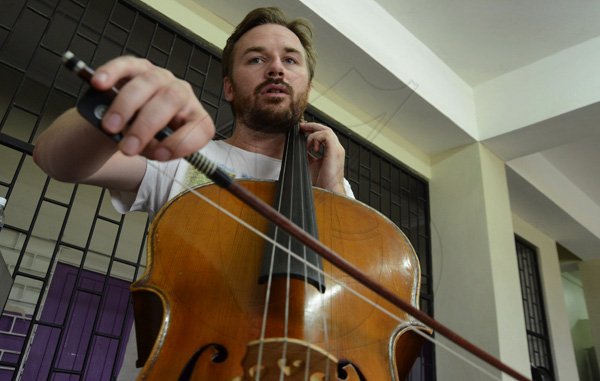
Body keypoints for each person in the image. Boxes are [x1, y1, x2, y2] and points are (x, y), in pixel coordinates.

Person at [33, 6, 354, 379]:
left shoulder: (331, 183)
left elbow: (355, 302)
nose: (276, 68)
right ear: (229, 86)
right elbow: (55, 160)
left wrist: (332, 189)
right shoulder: (185, 158)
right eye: (256, 58)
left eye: (290, 59)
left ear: (307, 87)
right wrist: (112, 113)